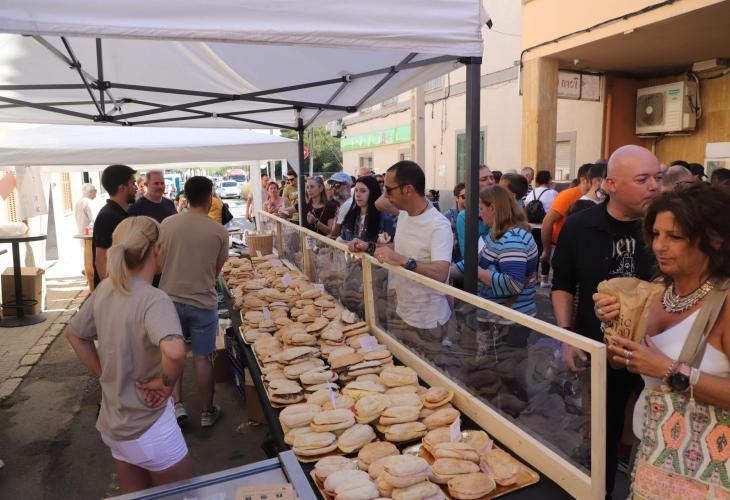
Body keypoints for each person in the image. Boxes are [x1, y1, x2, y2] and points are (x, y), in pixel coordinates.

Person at [594, 183, 730, 497]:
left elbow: (660, 368)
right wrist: (613, 331)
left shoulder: (724, 303)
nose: (659, 246)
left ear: (714, 239)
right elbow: (626, 363)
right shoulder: (656, 293)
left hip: (704, 471)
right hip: (649, 450)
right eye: (656, 234)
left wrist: (670, 370)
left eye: (675, 237)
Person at [551, 145, 661, 496]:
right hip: (597, 349)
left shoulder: (666, 226)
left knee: (653, 432)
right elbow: (562, 284)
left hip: (658, 352)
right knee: (600, 432)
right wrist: (567, 336)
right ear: (610, 184)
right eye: (643, 179)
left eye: (658, 177)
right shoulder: (580, 226)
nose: (654, 186)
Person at [64, 216, 192, 493]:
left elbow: (74, 334)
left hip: (115, 426)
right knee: (184, 496)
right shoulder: (154, 299)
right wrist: (166, 383)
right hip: (150, 426)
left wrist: (104, 372)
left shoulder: (105, 289)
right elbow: (174, 351)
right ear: (157, 249)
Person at [159, 176, 229, 428]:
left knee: (172, 356)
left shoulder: (167, 224)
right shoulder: (219, 231)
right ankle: (207, 411)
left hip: (169, 300)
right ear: (210, 198)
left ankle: (177, 405)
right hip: (203, 301)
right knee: (203, 357)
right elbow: (216, 271)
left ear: (185, 197)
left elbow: (159, 262)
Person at [369, 161, 452, 331]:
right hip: (401, 309)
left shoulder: (438, 225)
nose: (386, 195)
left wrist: (403, 260)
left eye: (388, 190)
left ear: (408, 190)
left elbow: (441, 272)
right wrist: (368, 247)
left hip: (428, 321)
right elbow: (401, 247)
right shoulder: (404, 214)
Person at [450, 185, 538, 321]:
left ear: (492, 209)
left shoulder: (512, 239)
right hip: (499, 318)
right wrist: (446, 272)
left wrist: (477, 272)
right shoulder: (496, 234)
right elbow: (476, 260)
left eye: (481, 209)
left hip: (508, 321)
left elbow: (514, 284)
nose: (479, 214)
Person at [539, 162, 592, 267]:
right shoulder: (568, 195)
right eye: (595, 180)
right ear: (583, 180)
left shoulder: (596, 197)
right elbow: (547, 221)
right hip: (562, 248)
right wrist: (547, 250)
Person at [93, 165, 138, 288]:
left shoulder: (118, 213)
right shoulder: (108, 216)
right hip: (116, 290)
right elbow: (101, 260)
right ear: (122, 188)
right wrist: (113, 292)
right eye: (133, 183)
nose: (136, 188)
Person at [341, 175, 395, 246]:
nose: (358, 195)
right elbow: (343, 238)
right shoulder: (350, 215)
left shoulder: (385, 219)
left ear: (373, 192)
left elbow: (390, 247)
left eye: (363, 191)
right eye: (356, 190)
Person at [456, 165, 495, 258]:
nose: (490, 182)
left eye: (491, 177)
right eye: (484, 179)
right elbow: (467, 255)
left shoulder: (504, 205)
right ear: (473, 185)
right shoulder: (465, 216)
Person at [444, 183, 466, 263]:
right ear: (456, 198)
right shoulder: (448, 217)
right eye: (465, 196)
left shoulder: (478, 215)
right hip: (455, 263)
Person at [328, 172, 354, 239]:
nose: (333, 188)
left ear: (348, 186)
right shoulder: (345, 204)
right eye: (331, 185)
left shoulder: (347, 204)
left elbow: (335, 233)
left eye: (337, 185)